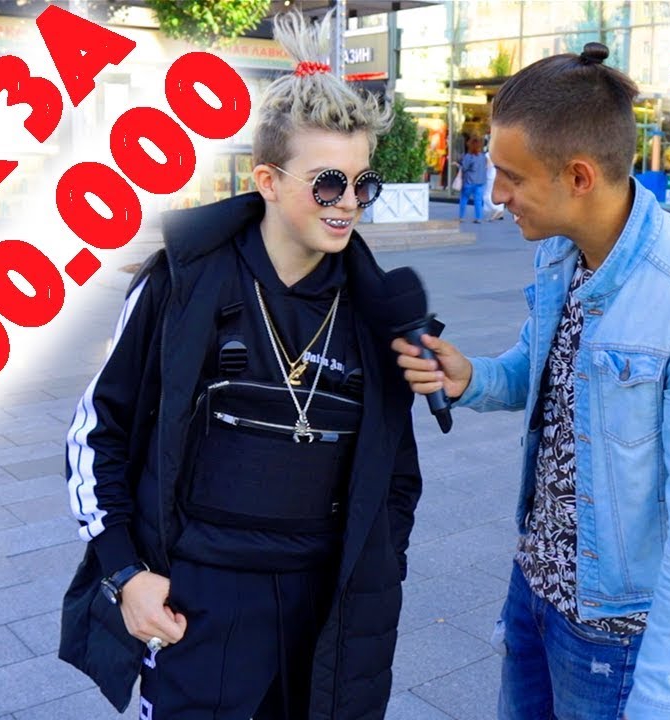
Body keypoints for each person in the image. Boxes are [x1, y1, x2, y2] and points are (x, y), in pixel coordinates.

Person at [58, 9, 424, 719]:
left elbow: (397, 476)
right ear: (267, 179)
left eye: (363, 184)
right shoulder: (181, 286)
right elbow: (97, 433)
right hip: (200, 599)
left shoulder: (375, 310)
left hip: (327, 608)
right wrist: (127, 573)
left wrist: (380, 568)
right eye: (328, 184)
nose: (349, 204)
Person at [393, 42, 670, 720]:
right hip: (533, 587)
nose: (496, 195)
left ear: (579, 176)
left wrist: (656, 702)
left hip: (612, 631)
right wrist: (470, 376)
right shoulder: (563, 253)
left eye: (511, 177)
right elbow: (541, 374)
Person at [457, 136, 487, 223]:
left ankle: (461, 217)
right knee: (478, 201)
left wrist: (458, 165)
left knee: (464, 198)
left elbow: (464, 168)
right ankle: (479, 218)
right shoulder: (483, 156)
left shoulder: (468, 156)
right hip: (480, 181)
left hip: (469, 181)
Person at [483, 139, 506, 222]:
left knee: (486, 195)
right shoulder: (499, 154)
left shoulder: (488, 155)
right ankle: (500, 212)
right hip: (498, 175)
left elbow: (488, 166)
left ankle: (496, 209)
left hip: (490, 176)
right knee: (498, 192)